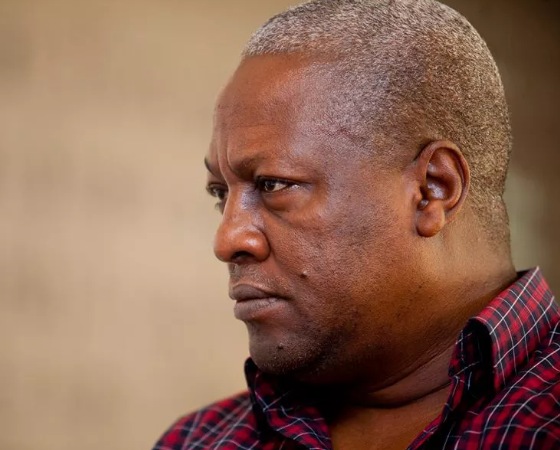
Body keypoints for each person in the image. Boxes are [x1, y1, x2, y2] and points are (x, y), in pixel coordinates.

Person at [153, 0, 559, 448]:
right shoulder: (200, 440)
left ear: (432, 190)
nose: (227, 239)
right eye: (220, 194)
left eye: (273, 185)